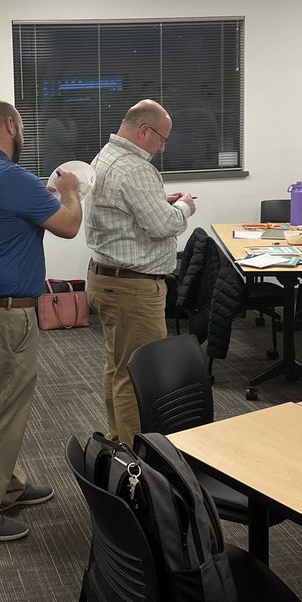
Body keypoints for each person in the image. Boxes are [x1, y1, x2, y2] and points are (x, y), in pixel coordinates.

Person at [0, 101, 83, 543]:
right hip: (3, 315)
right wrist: (70, 188)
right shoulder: (9, 176)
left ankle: (5, 484)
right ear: (10, 125)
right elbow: (68, 225)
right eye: (22, 127)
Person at [86, 100, 195, 444]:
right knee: (137, 375)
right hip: (133, 289)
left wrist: (158, 199)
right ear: (144, 130)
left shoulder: (105, 156)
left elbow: (127, 211)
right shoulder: (135, 168)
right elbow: (163, 226)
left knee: (118, 368)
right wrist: (183, 207)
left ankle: (118, 440)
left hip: (107, 280)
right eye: (162, 139)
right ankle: (138, 458)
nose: (163, 148)